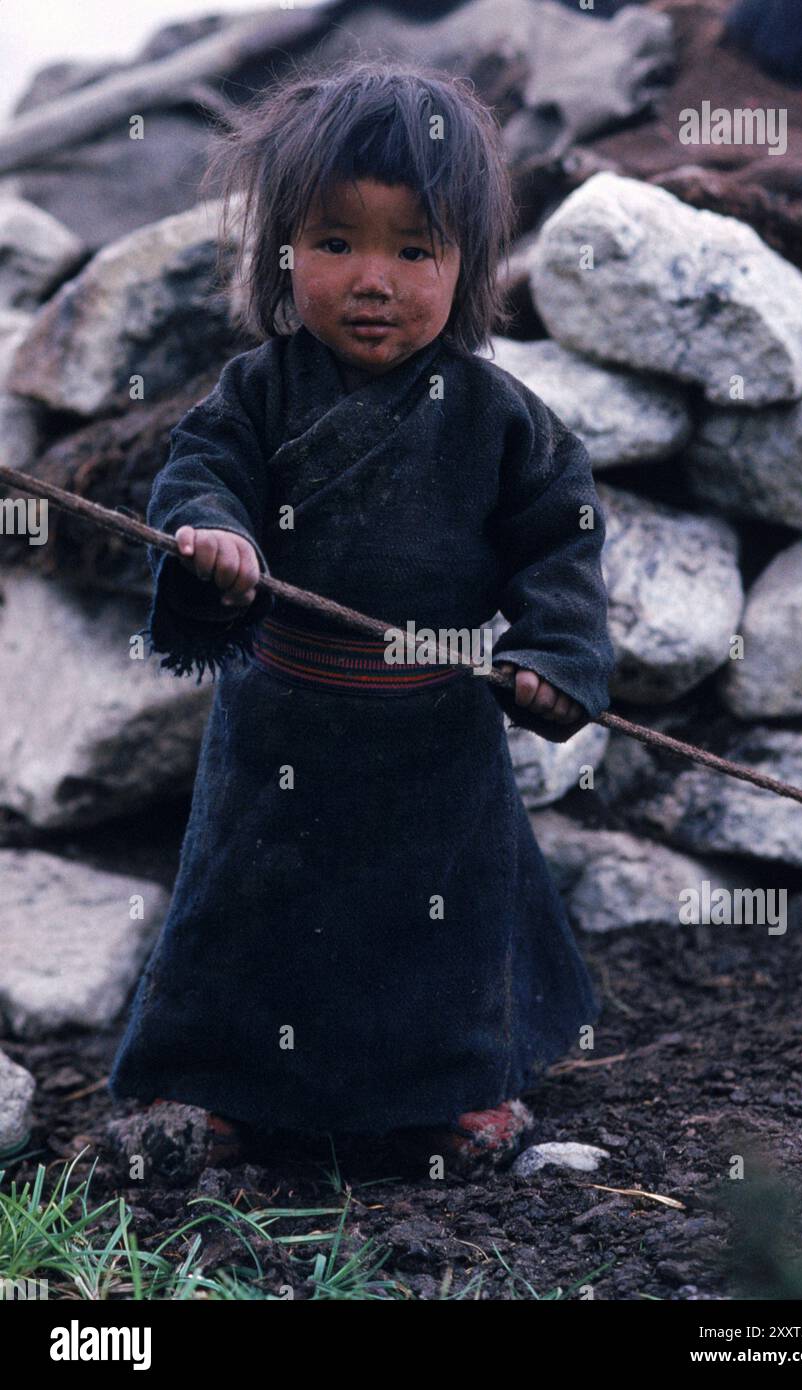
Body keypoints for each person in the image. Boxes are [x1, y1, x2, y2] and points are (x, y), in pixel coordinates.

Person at [108, 57, 617, 1175]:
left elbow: (559, 539)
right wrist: (216, 542)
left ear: (466, 262)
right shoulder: (259, 392)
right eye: (335, 244)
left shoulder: (498, 420)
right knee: (247, 918)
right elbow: (201, 475)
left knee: (435, 928)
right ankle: (218, 1088)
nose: (371, 280)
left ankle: (452, 1093)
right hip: (279, 724)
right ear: (281, 253)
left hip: (430, 734)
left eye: (412, 248)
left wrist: (550, 653)